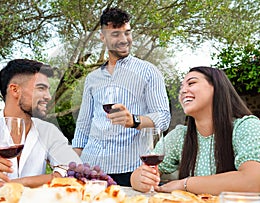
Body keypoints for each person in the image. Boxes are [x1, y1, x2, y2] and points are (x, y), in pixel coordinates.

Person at [72, 7, 171, 186]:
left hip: (130, 171)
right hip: (91, 168)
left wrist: (133, 120)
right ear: (103, 37)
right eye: (116, 34)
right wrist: (72, 166)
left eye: (127, 33)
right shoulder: (92, 78)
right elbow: (83, 127)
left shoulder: (149, 72)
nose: (124, 40)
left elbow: (163, 117)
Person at [130, 66, 260, 195]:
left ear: (216, 88)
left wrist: (184, 184)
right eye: (181, 87)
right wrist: (140, 179)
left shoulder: (246, 127)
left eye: (191, 83)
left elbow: (254, 181)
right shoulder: (180, 136)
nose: (183, 91)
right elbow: (143, 172)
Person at [0, 59, 82, 188]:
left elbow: (76, 171)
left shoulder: (48, 131)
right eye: (41, 88)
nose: (48, 96)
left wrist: (17, 184)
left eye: (48, 90)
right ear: (15, 90)